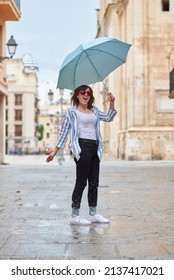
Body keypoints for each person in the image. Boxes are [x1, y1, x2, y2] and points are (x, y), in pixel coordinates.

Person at [46, 85, 117, 225]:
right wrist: (55, 151)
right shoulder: (72, 112)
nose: (86, 95)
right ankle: (74, 215)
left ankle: (93, 213)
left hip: (95, 148)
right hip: (81, 147)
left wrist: (112, 102)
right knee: (81, 181)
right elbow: (64, 132)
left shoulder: (95, 110)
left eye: (88, 93)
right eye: (82, 93)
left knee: (94, 182)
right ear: (77, 95)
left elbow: (109, 118)